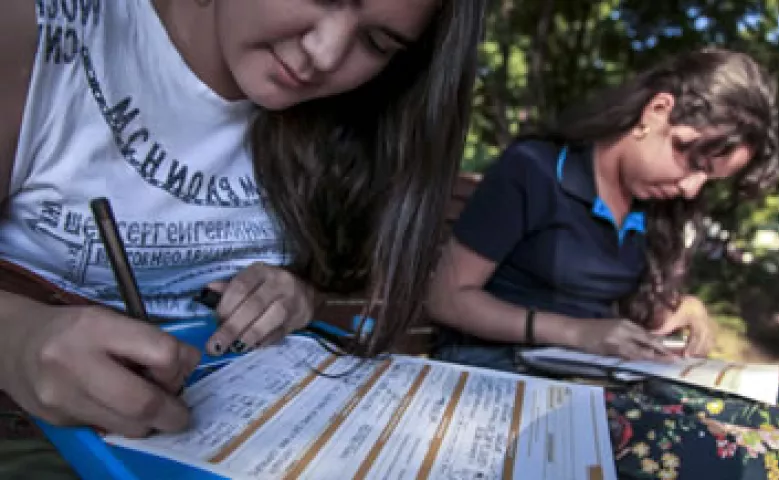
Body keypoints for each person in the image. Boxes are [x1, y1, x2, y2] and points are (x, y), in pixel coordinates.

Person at [0, 0, 484, 477]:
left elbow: (355, 298)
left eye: (377, 43)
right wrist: (17, 337)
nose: (326, 53)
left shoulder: (354, 121)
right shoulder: (39, 31)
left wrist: (300, 297)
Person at [426, 48, 779, 479]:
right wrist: (577, 332)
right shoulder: (536, 170)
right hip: (499, 368)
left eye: (710, 179)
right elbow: (445, 297)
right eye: (691, 158)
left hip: (592, 374)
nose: (692, 188)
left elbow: (623, 310)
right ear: (658, 110)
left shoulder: (653, 209)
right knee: (723, 456)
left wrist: (684, 307)